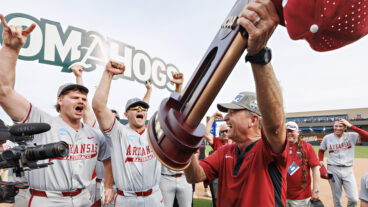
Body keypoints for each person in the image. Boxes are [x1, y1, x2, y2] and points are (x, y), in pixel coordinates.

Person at [0, 15, 113, 207]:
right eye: (74, 97)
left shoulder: (94, 134)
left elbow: (107, 159)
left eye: (84, 98)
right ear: (59, 101)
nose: (81, 100)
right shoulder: (41, 121)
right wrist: (11, 49)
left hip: (84, 198)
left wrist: (109, 185)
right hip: (47, 199)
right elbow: (4, 92)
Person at [184, 0, 288, 205]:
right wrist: (185, 147)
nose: (226, 117)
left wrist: (258, 54)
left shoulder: (267, 150)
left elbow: (275, 126)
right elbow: (194, 176)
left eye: (233, 112)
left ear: (253, 120)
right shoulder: (226, 151)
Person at [92, 61, 163, 206]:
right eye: (134, 108)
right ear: (125, 114)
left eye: (143, 108)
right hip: (127, 199)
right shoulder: (118, 132)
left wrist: (149, 91)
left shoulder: (154, 132)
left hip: (154, 196)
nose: (139, 110)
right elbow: (98, 106)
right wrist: (109, 74)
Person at [158, 73, 193, 207]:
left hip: (184, 177)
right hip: (165, 178)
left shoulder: (184, 128)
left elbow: (178, 110)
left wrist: (179, 87)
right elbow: (174, 110)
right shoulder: (162, 128)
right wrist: (177, 87)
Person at [319, 119, 368, 207]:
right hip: (333, 170)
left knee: (354, 199)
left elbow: (367, 136)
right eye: (335, 126)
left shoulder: (351, 136)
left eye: (340, 126)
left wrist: (351, 126)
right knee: (337, 200)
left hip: (348, 170)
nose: (337, 128)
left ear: (345, 127)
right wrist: (321, 162)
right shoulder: (327, 138)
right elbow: (321, 150)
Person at [285, 121, 320, 207]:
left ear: (298, 132)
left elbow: (315, 169)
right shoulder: (278, 147)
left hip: (301, 197)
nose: (289, 133)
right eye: (287, 131)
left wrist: (315, 190)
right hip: (281, 195)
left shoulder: (307, 147)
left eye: (292, 131)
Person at [203, 112, 232, 207]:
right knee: (216, 198)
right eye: (222, 132)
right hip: (217, 175)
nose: (224, 133)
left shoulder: (237, 142)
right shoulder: (217, 142)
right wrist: (212, 118)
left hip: (232, 175)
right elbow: (206, 134)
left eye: (226, 131)